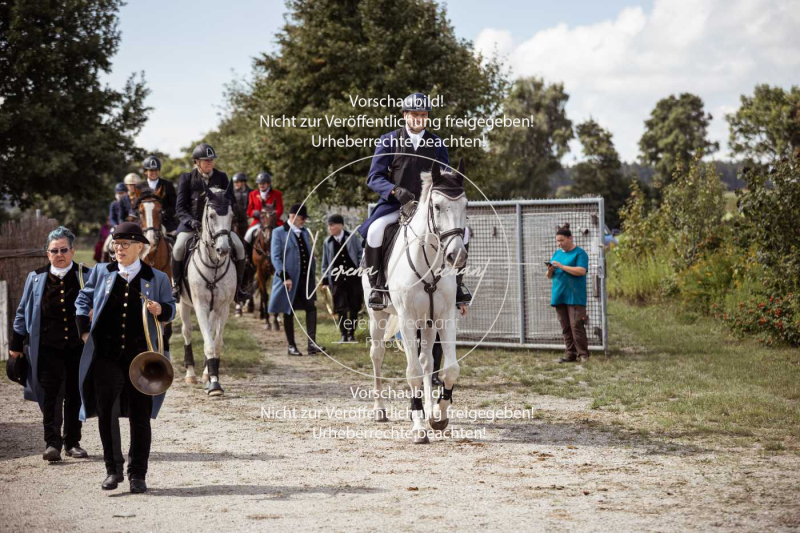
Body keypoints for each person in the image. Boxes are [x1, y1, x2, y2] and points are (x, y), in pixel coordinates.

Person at [75, 222, 176, 493]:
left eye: (125, 244)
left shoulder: (158, 278)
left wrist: (161, 309)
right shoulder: (101, 271)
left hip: (142, 359)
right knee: (107, 414)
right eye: (116, 244)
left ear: (139, 247)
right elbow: (82, 301)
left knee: (140, 417)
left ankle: (137, 474)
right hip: (106, 357)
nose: (118, 249)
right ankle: (113, 470)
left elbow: (172, 309)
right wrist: (84, 331)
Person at [358, 92, 472, 310]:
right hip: (395, 205)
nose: (419, 119)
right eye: (414, 114)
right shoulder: (388, 140)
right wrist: (394, 191)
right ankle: (377, 287)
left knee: (463, 233)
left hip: (429, 209)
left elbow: (444, 177)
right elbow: (374, 178)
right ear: (405, 115)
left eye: (423, 115)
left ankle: (458, 285)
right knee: (375, 230)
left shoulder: (437, 144)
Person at [10, 226, 91, 462]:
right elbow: (22, 313)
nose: (59, 254)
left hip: (78, 347)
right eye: (54, 250)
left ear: (72, 251)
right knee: (51, 395)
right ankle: (52, 444)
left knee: (75, 394)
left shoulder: (86, 275)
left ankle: (73, 442)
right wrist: (16, 346)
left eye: (64, 249)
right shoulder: (35, 278)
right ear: (47, 253)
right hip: (47, 347)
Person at [171, 143, 251, 303]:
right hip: (192, 226)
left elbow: (231, 202)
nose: (209, 163)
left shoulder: (221, 177)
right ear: (196, 162)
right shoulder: (187, 178)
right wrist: (191, 221)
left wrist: (227, 221)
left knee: (240, 248)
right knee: (178, 247)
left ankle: (239, 288)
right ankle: (176, 286)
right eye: (205, 160)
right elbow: (180, 207)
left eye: (211, 160)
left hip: (218, 227)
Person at [268, 204, 324, 356]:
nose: (304, 221)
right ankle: (291, 346)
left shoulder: (304, 232)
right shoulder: (279, 232)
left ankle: (312, 344)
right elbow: (276, 257)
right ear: (293, 216)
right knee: (288, 311)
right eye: (302, 218)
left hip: (306, 279)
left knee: (311, 308)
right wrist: (284, 276)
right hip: (290, 280)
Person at [547, 223, 590, 363]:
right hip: (559, 295)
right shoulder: (557, 253)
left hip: (575, 295)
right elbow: (549, 276)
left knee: (576, 325)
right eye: (558, 241)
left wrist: (562, 266)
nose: (559, 244)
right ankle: (570, 353)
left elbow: (581, 271)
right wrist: (551, 269)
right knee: (565, 326)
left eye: (562, 240)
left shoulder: (580, 253)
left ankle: (583, 355)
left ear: (570, 238)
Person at [321, 214, 363, 343]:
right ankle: (343, 335)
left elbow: (360, 253)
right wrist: (325, 280)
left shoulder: (352, 237)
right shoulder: (327, 242)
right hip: (337, 279)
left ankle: (352, 334)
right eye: (329, 225)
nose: (330, 228)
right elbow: (325, 262)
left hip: (353, 278)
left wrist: (361, 268)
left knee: (354, 306)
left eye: (332, 225)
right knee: (341, 307)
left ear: (340, 225)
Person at [141, 155, 178, 233]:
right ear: (145, 172)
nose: (154, 173)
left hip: (166, 222)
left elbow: (174, 205)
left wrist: (163, 213)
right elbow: (135, 207)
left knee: (177, 242)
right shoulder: (139, 187)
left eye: (156, 170)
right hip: (145, 223)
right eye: (151, 170)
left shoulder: (168, 185)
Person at [231, 172, 251, 239]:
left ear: (243, 182)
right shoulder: (231, 193)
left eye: (237, 182)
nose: (235, 184)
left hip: (249, 219)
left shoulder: (251, 192)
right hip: (235, 221)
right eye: (234, 182)